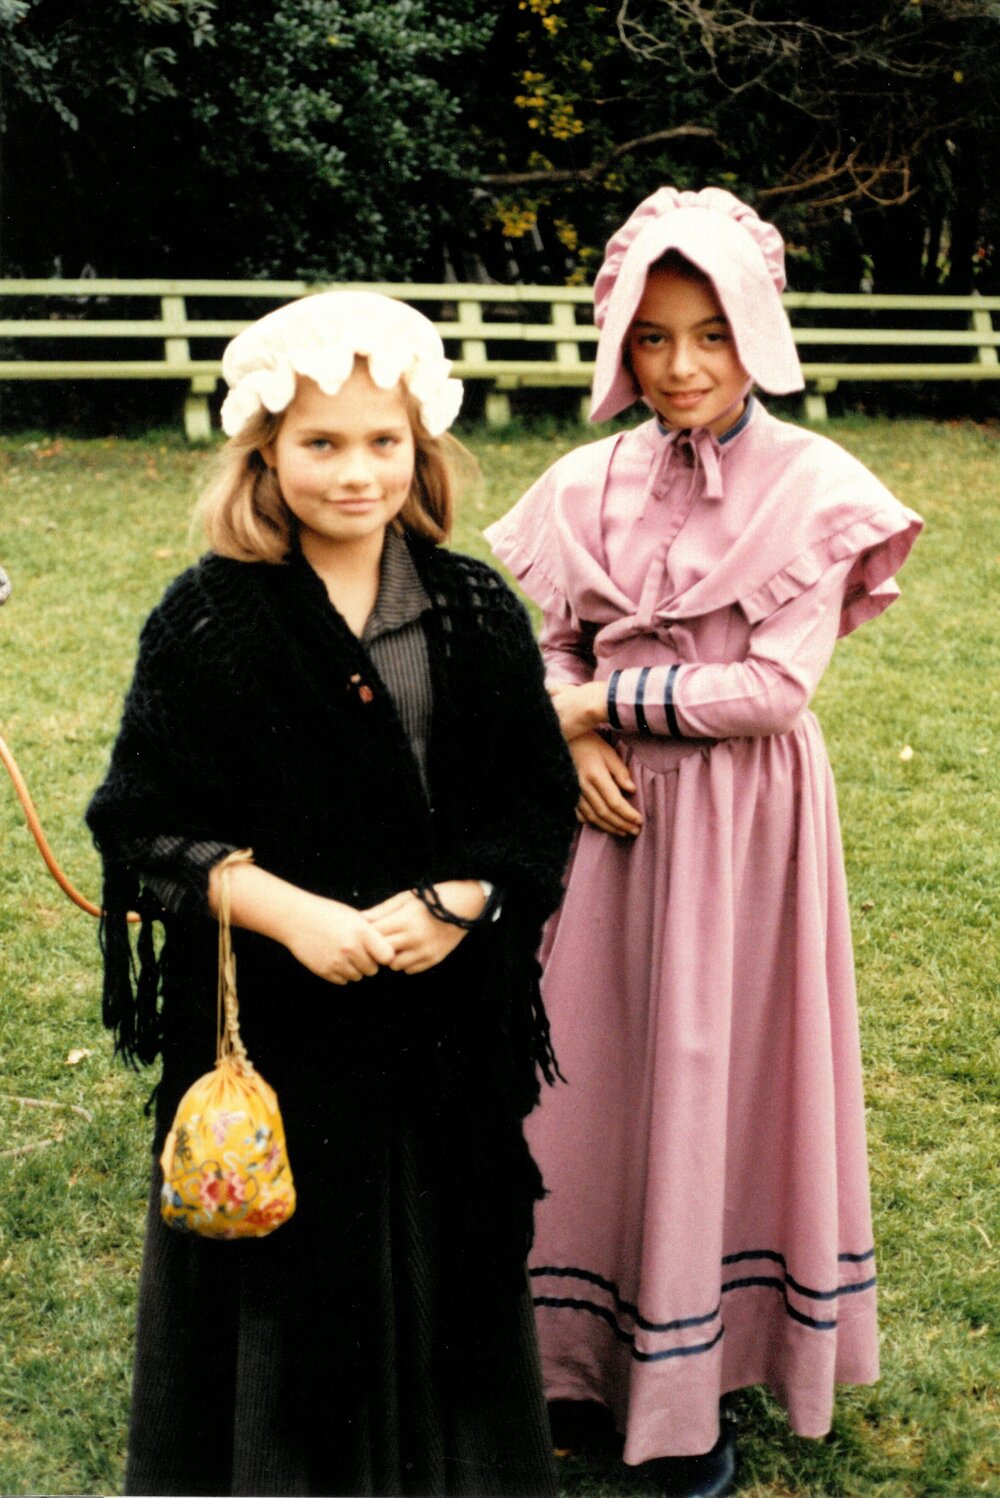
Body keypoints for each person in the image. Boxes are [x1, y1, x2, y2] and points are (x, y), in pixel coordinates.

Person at [86, 291, 578, 1498]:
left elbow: (533, 801)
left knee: (443, 1256)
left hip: (441, 1037)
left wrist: (462, 895)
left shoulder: (470, 610)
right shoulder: (206, 619)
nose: (355, 470)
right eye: (320, 442)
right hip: (282, 1048)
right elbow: (142, 826)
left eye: (382, 441)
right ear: (262, 449)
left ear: (424, 448)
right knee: (293, 1289)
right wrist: (287, 912)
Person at [485, 187, 923, 1498]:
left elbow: (771, 690)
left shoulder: (815, 487)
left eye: (711, 337)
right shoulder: (588, 479)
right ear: (621, 339)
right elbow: (552, 636)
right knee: (588, 1076)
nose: (681, 367)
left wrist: (594, 700)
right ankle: (573, 1361)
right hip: (605, 826)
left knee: (716, 1078)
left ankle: (691, 1389)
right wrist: (569, 733)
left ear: (758, 338)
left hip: (744, 833)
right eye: (656, 337)